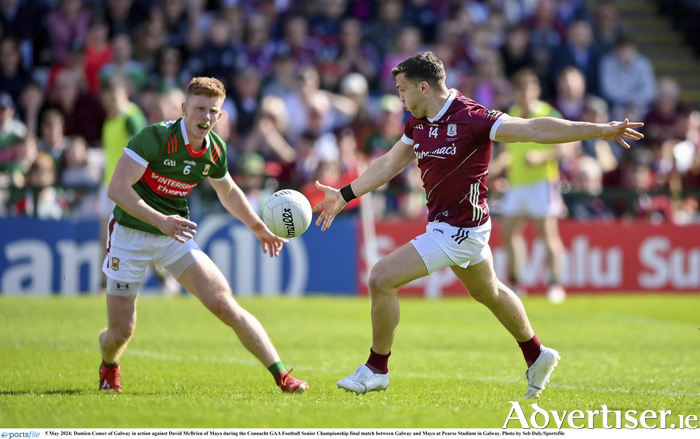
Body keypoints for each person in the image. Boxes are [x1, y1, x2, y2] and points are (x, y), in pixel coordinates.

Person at [312, 52, 642, 398]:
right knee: (489, 292)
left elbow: (533, 128)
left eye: (402, 90)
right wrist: (345, 194)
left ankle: (376, 369)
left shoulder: (473, 117)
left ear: (424, 87)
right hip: (452, 226)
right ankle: (537, 354)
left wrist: (599, 131)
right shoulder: (417, 121)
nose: (400, 99)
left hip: (460, 231)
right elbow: (389, 164)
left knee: (381, 278)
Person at [98, 77, 308, 394]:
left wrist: (259, 228)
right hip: (130, 235)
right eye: (199, 109)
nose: (205, 117)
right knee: (120, 334)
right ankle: (109, 364)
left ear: (221, 116)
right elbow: (117, 189)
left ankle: (282, 376)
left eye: (213, 111)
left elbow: (229, 193)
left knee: (224, 303)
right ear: (184, 109)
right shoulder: (154, 137)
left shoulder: (215, 149)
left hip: (174, 235)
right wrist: (160, 220)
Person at [499, 69, 569, 303]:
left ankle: (555, 283)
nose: (523, 96)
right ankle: (517, 282)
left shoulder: (548, 113)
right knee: (509, 233)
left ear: (536, 91)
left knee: (547, 235)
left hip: (542, 183)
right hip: (516, 185)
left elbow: (567, 147)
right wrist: (493, 170)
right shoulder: (513, 114)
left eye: (527, 91)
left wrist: (541, 157)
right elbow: (507, 153)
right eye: (519, 91)